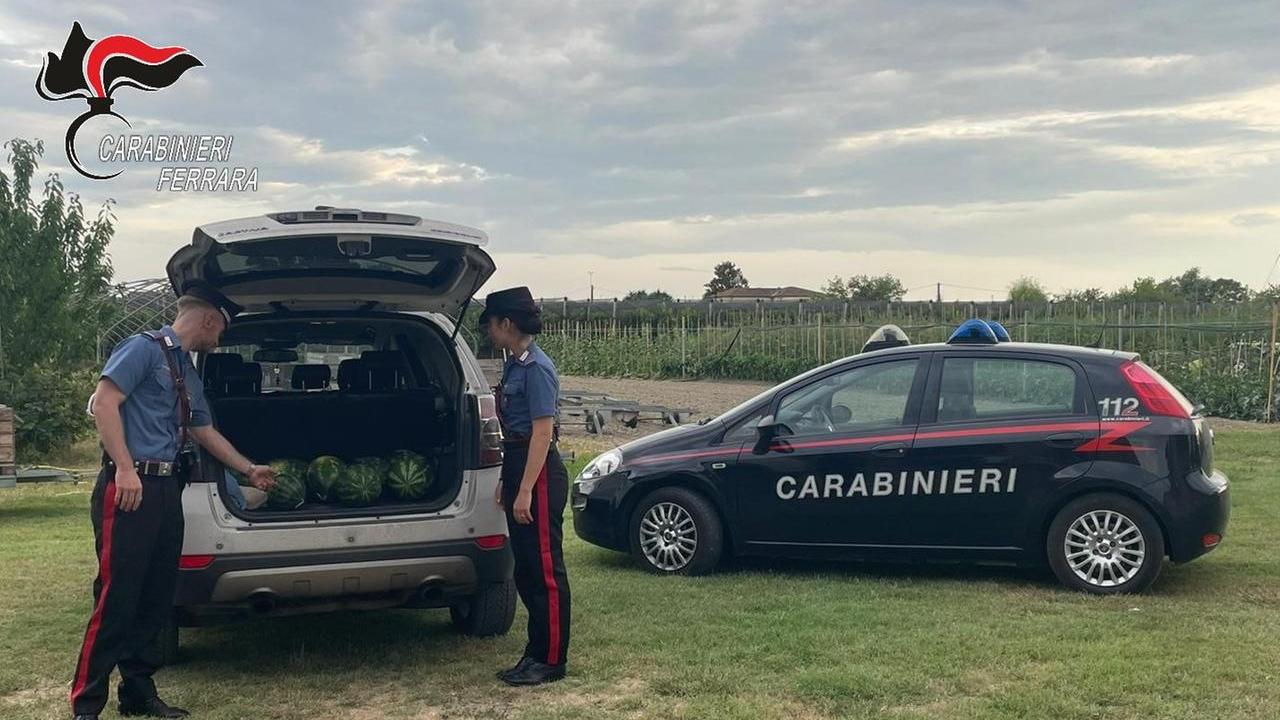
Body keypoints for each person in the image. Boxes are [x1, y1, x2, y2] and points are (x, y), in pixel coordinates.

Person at [70, 281, 275, 720]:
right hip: (130, 487)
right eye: (220, 330)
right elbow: (105, 403)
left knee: (156, 594)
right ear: (208, 319)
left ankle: (138, 691)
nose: (218, 341)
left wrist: (247, 469)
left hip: (165, 488)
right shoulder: (142, 349)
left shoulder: (186, 370)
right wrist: (124, 468)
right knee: (117, 596)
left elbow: (203, 430)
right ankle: (86, 705)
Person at [481, 287, 572, 686]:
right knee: (527, 570)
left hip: (538, 473)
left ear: (508, 324)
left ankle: (551, 659)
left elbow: (541, 433)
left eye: (492, 324)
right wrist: (507, 480)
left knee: (545, 569)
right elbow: (512, 434)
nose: (488, 331)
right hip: (519, 464)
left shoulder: (537, 369)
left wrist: (525, 490)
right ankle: (534, 653)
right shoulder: (515, 366)